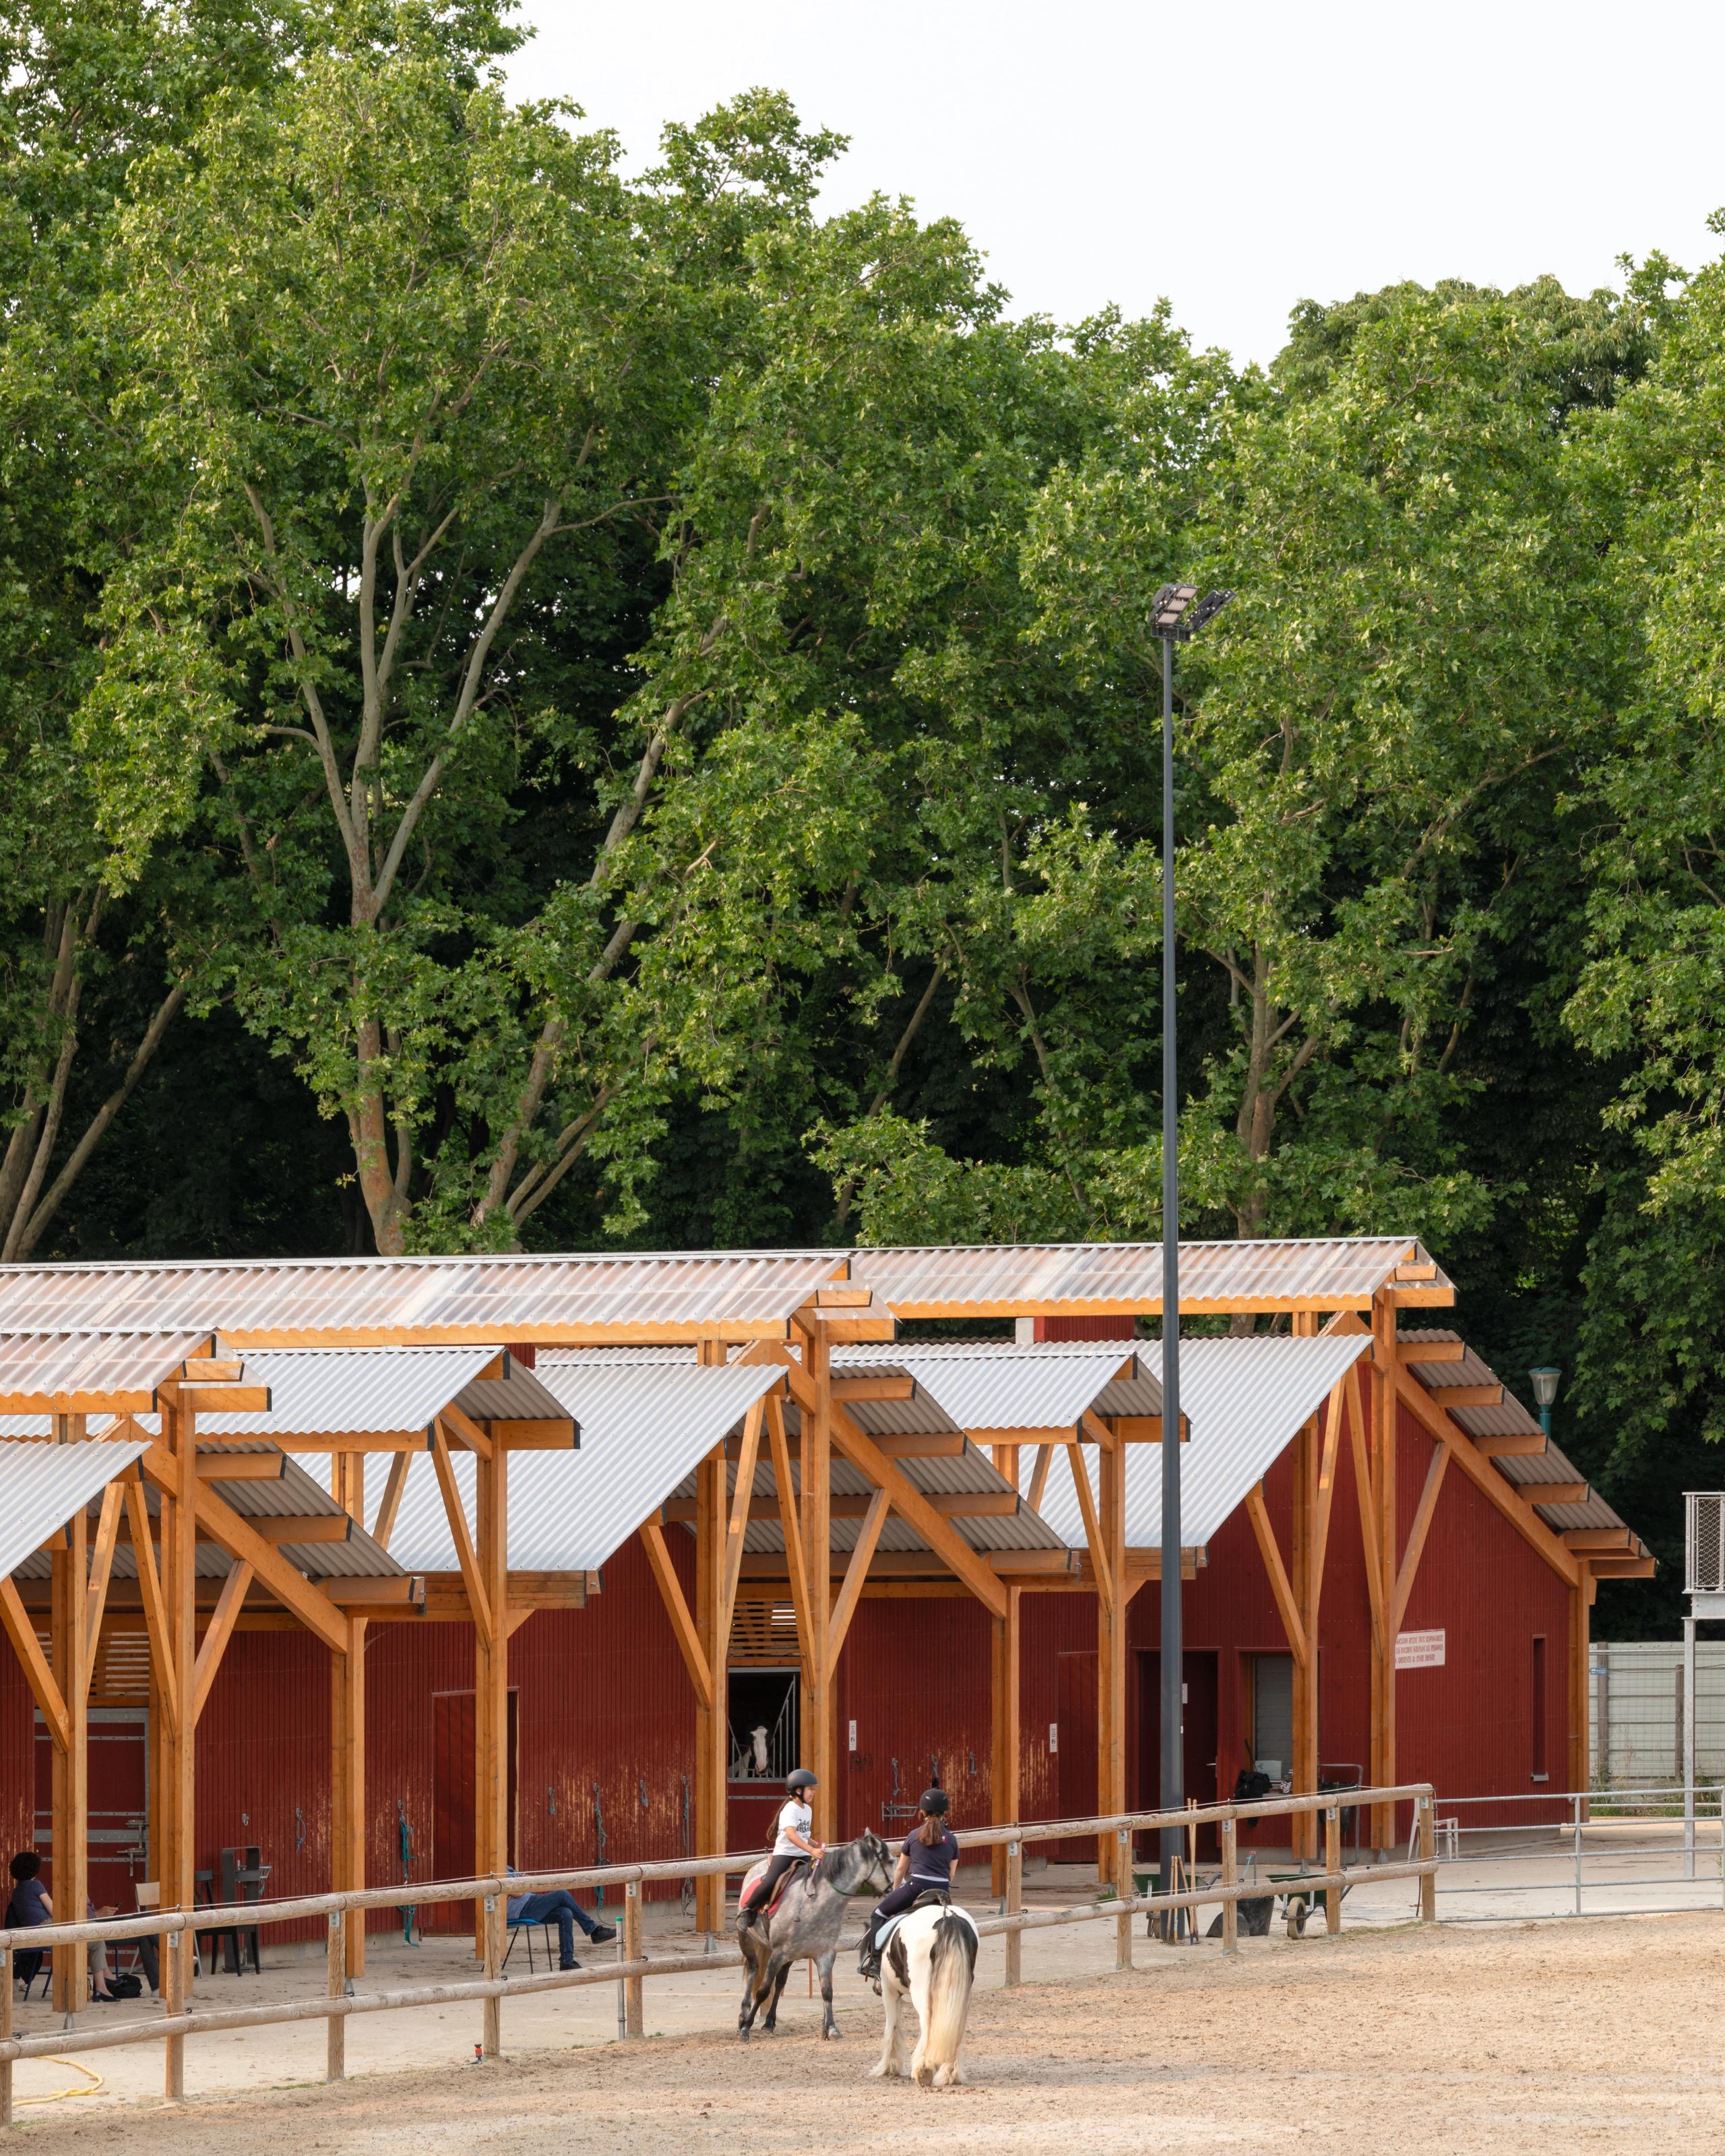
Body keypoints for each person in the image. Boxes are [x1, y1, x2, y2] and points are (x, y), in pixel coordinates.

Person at [858, 1790, 959, 1982]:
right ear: (945, 1813)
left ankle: (875, 1962)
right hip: (942, 1891)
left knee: (878, 1914)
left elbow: (901, 1869)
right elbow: (952, 1874)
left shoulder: (914, 1836)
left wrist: (896, 1892)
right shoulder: (952, 1839)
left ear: (922, 1812)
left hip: (916, 1886)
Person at [736, 1768, 823, 1935]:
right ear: (798, 1790)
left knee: (820, 1881)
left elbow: (804, 1835)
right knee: (770, 1881)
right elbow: (791, 1835)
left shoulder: (807, 1809)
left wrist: (818, 1845)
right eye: (810, 1789)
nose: (813, 1792)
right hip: (786, 1854)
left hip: (803, 1853)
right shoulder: (790, 1810)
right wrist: (812, 1850)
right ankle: (747, 1910)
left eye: (813, 1789)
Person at [504, 1867, 615, 1971]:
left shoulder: (507, 1867)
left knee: (565, 1913)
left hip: (532, 1902)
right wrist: (520, 1886)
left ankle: (567, 1961)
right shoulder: (497, 1868)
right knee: (561, 1894)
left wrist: (520, 1886)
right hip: (522, 1910)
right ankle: (594, 1930)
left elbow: (529, 1880)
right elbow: (518, 1892)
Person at [7, 1852, 50, 1996]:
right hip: (44, 1927)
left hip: (28, 1932)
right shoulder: (36, 1885)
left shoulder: (17, 1891)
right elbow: (55, 1911)